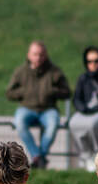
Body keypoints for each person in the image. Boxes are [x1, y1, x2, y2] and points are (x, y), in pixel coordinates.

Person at [5, 40, 70, 169]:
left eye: (41, 54)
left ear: (45, 55)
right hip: (27, 108)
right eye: (35, 54)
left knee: (52, 125)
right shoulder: (21, 72)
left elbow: (67, 92)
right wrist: (23, 92)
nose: (38, 57)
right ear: (29, 55)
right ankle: (38, 157)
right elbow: (9, 93)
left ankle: (39, 157)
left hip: (48, 109)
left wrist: (53, 91)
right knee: (19, 123)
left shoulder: (55, 71)